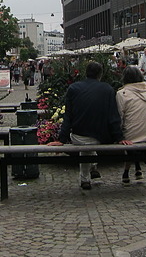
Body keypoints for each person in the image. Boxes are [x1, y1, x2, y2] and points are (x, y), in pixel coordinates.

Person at [48, 61, 129, 190]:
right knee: (90, 143)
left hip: (79, 135)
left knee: (85, 144)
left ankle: (85, 178)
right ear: (100, 74)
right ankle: (92, 166)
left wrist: (61, 140)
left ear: (85, 73)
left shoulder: (73, 88)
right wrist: (119, 138)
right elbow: (113, 117)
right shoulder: (108, 89)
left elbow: (68, 116)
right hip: (102, 136)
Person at [116, 66, 146, 185]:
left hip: (132, 137)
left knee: (128, 134)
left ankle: (127, 171)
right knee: (135, 130)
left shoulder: (122, 94)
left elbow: (120, 117)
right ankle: (137, 168)